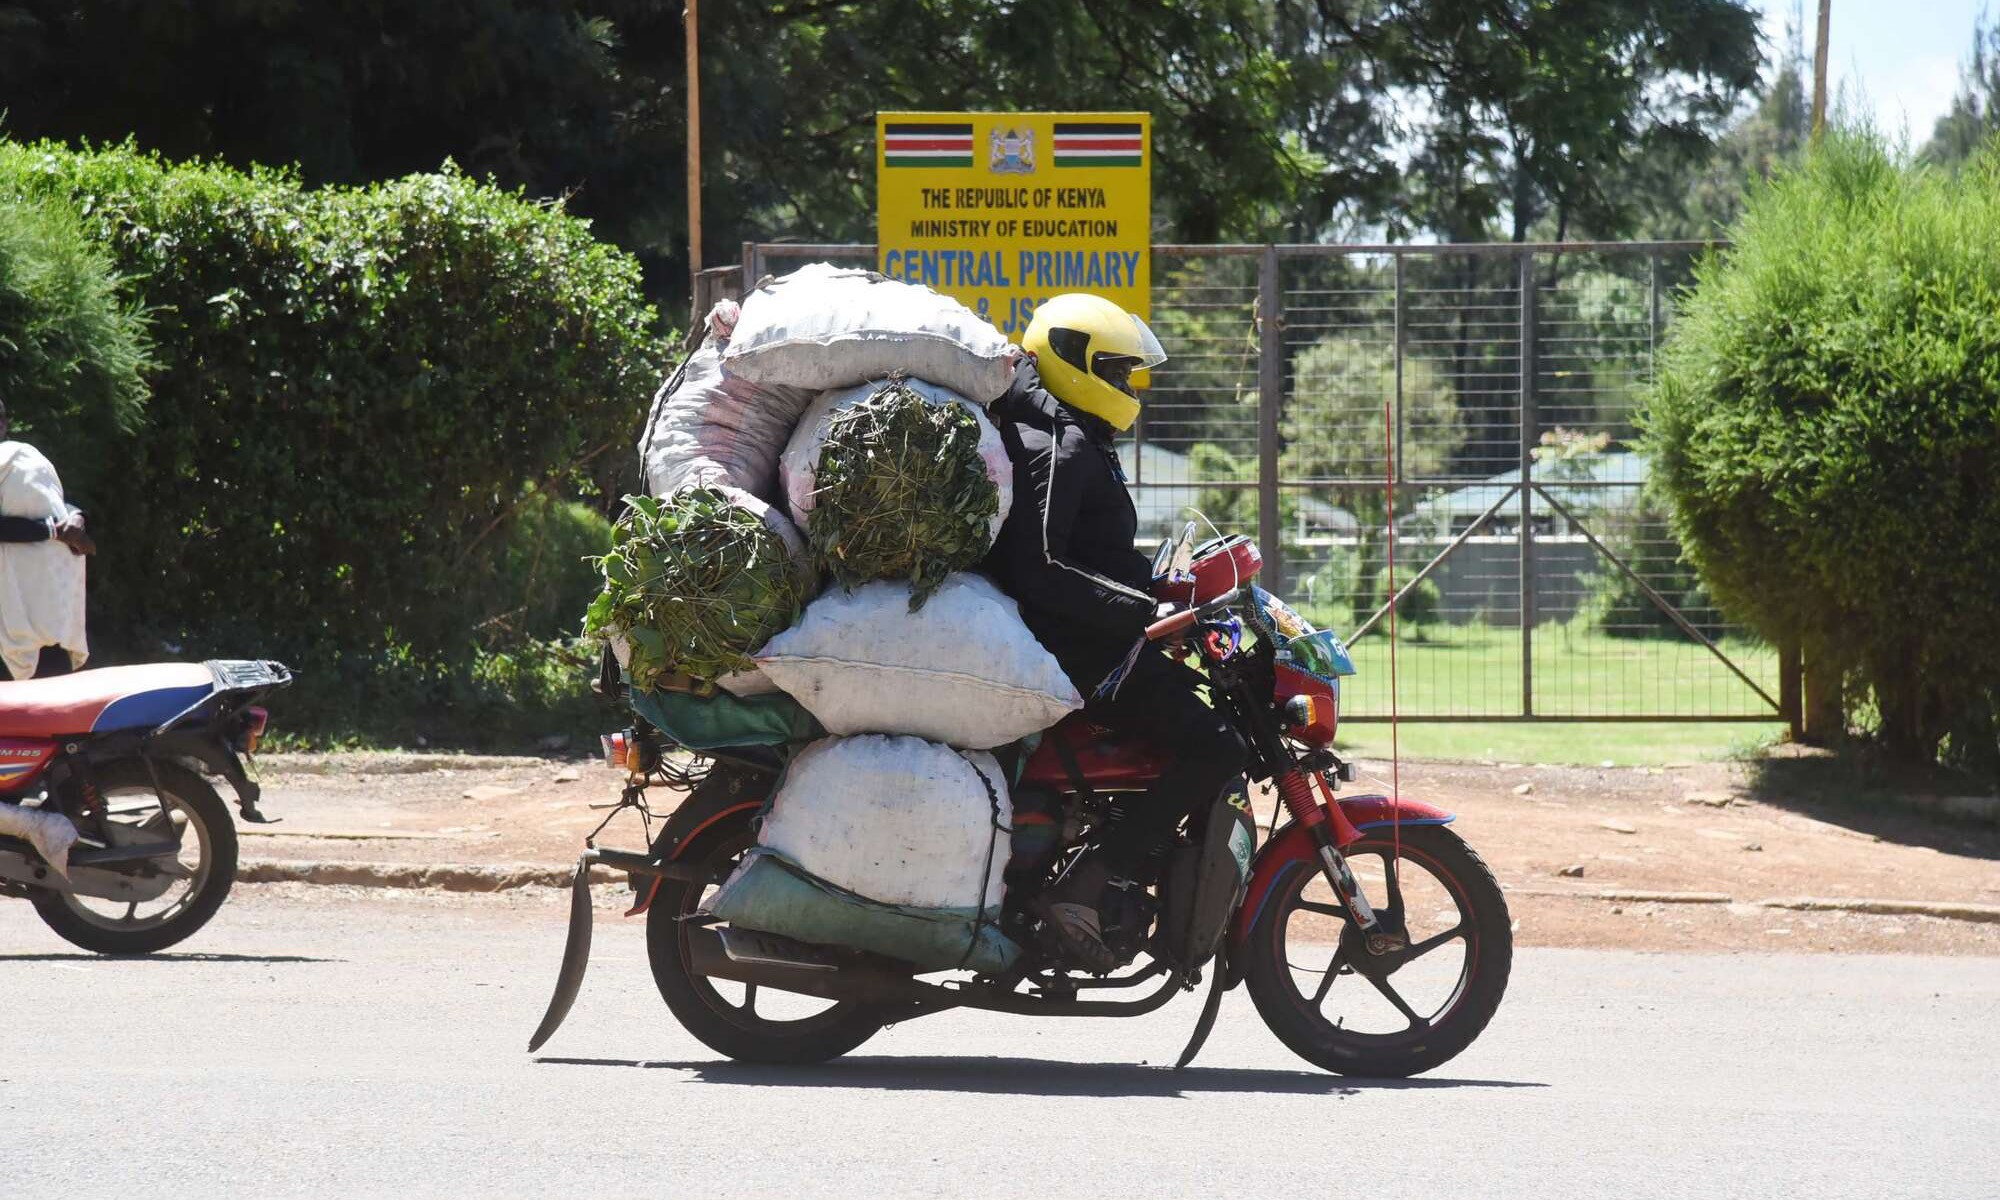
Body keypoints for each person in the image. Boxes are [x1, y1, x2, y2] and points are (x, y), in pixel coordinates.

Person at [983, 293, 1248, 970]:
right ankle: (1100, 881)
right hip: (1080, 652)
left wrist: (1167, 590)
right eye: (1120, 371)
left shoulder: (1075, 437)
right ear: (1077, 362)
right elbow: (1040, 568)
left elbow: (1095, 556)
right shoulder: (1059, 445)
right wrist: (1140, 613)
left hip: (1093, 641)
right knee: (1216, 746)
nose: (1129, 387)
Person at [0, 398, 94, 681]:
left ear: (3, 424)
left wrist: (76, 516)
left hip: (43, 617)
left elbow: (51, 504)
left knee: (50, 706)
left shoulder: (21, 461)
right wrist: (51, 531)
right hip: (13, 620)